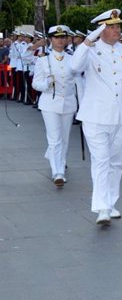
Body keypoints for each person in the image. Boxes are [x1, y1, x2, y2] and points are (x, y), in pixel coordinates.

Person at [71, 9, 122, 225]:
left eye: (118, 26)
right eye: (111, 26)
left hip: (121, 117)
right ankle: (101, 207)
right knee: (102, 161)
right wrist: (89, 40)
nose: (117, 30)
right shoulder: (89, 50)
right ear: (101, 29)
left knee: (116, 163)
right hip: (95, 116)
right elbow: (73, 67)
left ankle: (111, 203)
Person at [31, 25, 77, 187]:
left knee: (64, 138)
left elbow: (79, 81)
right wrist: (46, 84)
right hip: (50, 102)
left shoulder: (72, 58)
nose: (60, 40)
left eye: (63, 37)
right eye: (57, 37)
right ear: (50, 39)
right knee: (55, 139)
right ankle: (57, 172)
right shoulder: (43, 59)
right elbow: (35, 83)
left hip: (69, 102)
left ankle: (59, 161)